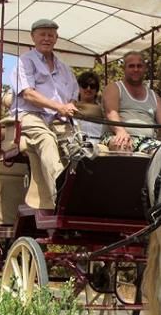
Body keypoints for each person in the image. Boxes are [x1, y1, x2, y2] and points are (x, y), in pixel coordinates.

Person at [9, 17, 79, 209]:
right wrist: (59, 107)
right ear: (33, 37)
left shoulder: (65, 68)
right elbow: (28, 94)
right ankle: (61, 194)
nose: (46, 38)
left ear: (56, 38)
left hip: (57, 119)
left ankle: (83, 191)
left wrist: (69, 107)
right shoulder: (24, 62)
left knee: (80, 146)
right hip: (29, 115)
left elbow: (73, 96)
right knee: (47, 139)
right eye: (42, 35)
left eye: (51, 35)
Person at [102, 51, 161, 154]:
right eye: (131, 66)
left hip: (148, 141)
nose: (136, 69)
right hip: (117, 136)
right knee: (122, 146)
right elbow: (111, 113)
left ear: (144, 68)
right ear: (124, 69)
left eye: (139, 66)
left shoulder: (154, 96)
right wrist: (120, 131)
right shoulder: (114, 88)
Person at [75, 70, 105, 144]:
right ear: (78, 88)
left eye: (92, 86)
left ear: (96, 90)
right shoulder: (70, 107)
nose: (88, 88)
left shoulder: (103, 110)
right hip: (77, 144)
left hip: (99, 145)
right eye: (85, 85)